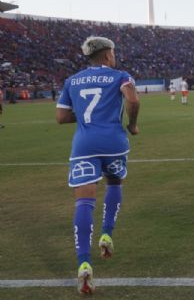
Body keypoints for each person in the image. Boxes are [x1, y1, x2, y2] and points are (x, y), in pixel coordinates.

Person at [55, 37, 140, 294]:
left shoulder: (72, 80)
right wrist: (132, 124)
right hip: (113, 142)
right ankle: (107, 233)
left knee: (83, 202)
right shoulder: (120, 75)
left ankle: (83, 263)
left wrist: (83, 117)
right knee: (114, 182)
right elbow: (133, 100)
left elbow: (61, 117)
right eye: (113, 52)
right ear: (107, 55)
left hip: (83, 146)